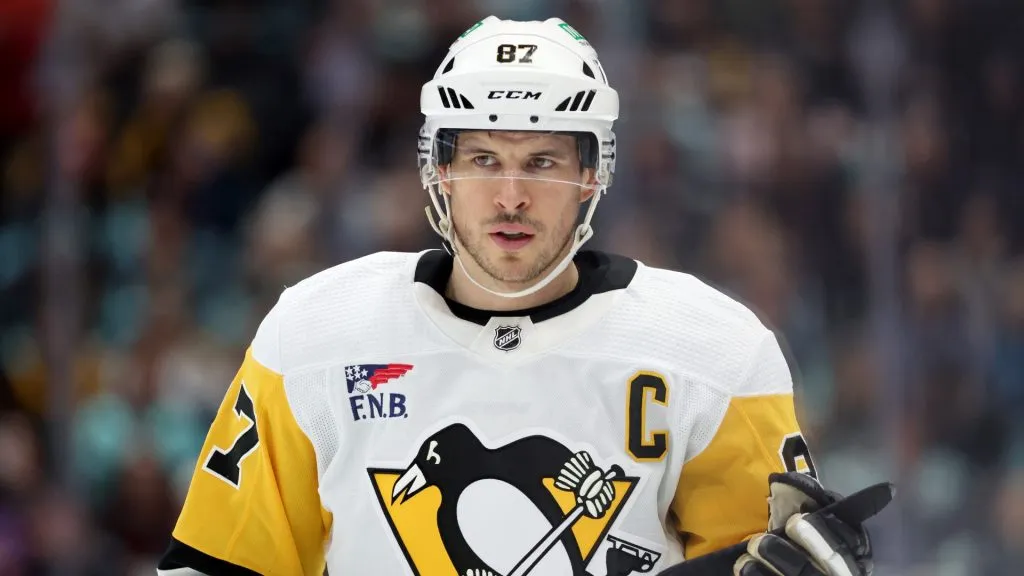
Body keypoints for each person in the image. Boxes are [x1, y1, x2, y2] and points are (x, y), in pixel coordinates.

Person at [157, 16, 879, 576]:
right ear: (437, 169)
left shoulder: (713, 357)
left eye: (542, 162)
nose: (510, 197)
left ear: (594, 173)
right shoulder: (314, 340)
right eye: (482, 160)